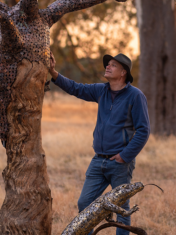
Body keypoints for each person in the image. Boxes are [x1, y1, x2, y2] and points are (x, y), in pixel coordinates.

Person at [49, 52, 150, 235]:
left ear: (123, 73)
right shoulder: (101, 90)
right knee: (84, 204)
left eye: (113, 65)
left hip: (120, 162)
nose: (107, 67)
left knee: (121, 208)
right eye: (108, 64)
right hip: (98, 161)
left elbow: (144, 130)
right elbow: (75, 88)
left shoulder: (135, 96)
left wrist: (124, 156)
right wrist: (54, 73)